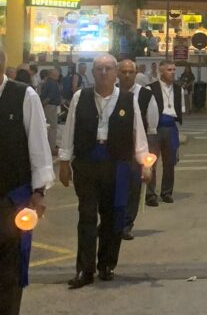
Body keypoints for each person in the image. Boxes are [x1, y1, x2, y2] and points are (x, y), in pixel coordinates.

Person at [58, 54, 151, 288]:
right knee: (87, 216)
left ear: (116, 73)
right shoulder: (81, 97)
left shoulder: (129, 100)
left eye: (108, 68)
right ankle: (84, 270)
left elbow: (138, 132)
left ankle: (107, 264)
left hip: (117, 166)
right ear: (92, 72)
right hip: (87, 165)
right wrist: (64, 162)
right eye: (99, 68)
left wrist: (144, 163)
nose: (103, 73)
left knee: (112, 218)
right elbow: (69, 130)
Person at [0, 50, 55, 314]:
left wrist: (39, 191)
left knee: (10, 271)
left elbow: (38, 146)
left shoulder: (24, 95)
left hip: (11, 198)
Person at [116, 60, 158, 241]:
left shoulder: (146, 96)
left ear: (135, 74)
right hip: (114, 151)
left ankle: (126, 225)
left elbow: (152, 128)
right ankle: (113, 222)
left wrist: (148, 161)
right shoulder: (111, 93)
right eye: (123, 72)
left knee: (133, 190)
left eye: (130, 72)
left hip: (135, 152)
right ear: (117, 73)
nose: (126, 75)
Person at [146, 60, 184, 206]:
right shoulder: (150, 89)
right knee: (151, 162)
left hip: (170, 127)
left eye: (174, 69)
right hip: (154, 128)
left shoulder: (178, 89)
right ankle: (150, 195)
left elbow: (180, 108)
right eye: (169, 70)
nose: (173, 72)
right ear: (161, 71)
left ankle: (166, 192)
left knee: (170, 162)